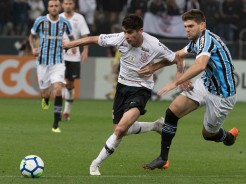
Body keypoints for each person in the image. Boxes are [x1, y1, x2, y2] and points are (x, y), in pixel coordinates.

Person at [62, 14, 184, 176]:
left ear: (140, 31)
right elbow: (92, 39)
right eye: (125, 32)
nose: (126, 36)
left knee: (119, 130)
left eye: (130, 33)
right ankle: (155, 126)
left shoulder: (154, 44)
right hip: (122, 89)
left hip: (141, 90)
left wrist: (161, 70)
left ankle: (95, 164)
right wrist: (70, 44)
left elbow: (177, 58)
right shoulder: (119, 38)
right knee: (123, 130)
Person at [138, 9, 239, 170]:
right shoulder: (196, 40)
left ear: (202, 25)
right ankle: (163, 159)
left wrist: (175, 82)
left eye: (191, 26)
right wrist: (153, 67)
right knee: (172, 113)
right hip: (206, 84)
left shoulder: (206, 40)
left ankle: (228, 137)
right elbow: (177, 55)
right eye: (185, 26)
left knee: (208, 134)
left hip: (222, 95)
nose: (187, 29)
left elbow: (200, 65)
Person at [29, 0, 73, 133]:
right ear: (48, 8)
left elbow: (70, 38)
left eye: (56, 6)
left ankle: (55, 124)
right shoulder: (40, 21)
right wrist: (33, 49)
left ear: (59, 8)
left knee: (58, 89)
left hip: (58, 62)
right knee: (45, 93)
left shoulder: (65, 23)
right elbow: (31, 37)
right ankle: (46, 99)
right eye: (51, 6)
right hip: (43, 62)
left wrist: (70, 45)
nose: (54, 8)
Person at [60, 0, 90, 121]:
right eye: (66, 3)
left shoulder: (79, 18)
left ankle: (67, 111)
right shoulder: (59, 18)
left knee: (70, 84)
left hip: (74, 55)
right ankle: (61, 108)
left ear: (74, 5)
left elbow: (85, 36)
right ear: (62, 5)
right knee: (60, 81)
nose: (68, 6)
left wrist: (85, 50)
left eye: (70, 3)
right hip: (59, 54)